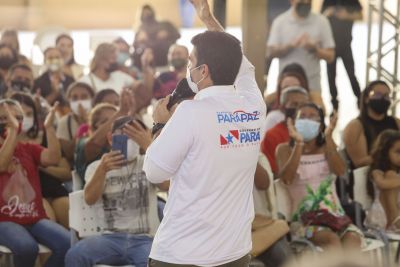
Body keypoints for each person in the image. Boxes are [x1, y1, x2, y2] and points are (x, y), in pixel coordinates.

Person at [143, 0, 266, 265]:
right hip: (234, 252)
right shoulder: (254, 105)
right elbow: (239, 62)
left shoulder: (190, 112)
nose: (189, 69)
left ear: (204, 71)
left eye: (191, 62)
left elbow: (154, 172)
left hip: (183, 254)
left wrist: (160, 124)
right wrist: (208, 20)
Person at [65, 116, 165, 267]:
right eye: (123, 135)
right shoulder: (97, 166)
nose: (129, 139)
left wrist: (150, 147)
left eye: (134, 135)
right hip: (110, 238)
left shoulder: (148, 162)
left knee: (155, 263)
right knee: (75, 256)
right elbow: (89, 199)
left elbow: (167, 186)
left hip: (145, 239)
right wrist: (102, 170)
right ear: (111, 138)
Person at [276, 103, 362, 249]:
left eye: (312, 116)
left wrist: (328, 137)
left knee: (353, 239)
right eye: (302, 116)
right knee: (330, 240)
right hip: (304, 221)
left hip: (336, 217)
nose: (307, 120)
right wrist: (299, 143)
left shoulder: (326, 147)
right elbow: (287, 179)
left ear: (321, 125)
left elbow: (341, 171)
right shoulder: (284, 149)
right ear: (294, 123)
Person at [0, 99, 70, 267]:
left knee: (68, 243)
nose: (14, 121)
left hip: (35, 218)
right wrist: (13, 132)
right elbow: (2, 164)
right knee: (27, 248)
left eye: (18, 117)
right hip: (3, 220)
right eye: (5, 117)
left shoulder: (28, 148)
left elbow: (53, 157)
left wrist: (49, 128)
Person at [10, 93, 71, 229]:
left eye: (29, 113)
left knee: (72, 219)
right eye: (19, 115)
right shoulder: (6, 145)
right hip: (30, 197)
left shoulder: (46, 138)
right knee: (49, 224)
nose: (24, 118)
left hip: (54, 191)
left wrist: (39, 164)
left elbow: (66, 172)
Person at [267, 0, 335, 109]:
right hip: (287, 86)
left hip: (312, 87)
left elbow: (330, 56)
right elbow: (270, 52)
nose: (305, 2)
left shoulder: (322, 22)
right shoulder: (280, 22)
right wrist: (290, 45)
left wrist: (314, 49)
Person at [343, 80, 400, 198]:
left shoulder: (396, 123)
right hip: (371, 182)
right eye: (378, 94)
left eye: (386, 96)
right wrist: (386, 155)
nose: (383, 99)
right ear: (366, 98)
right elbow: (359, 162)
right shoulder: (355, 126)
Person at [321, 0, 362, 111]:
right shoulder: (327, 2)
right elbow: (320, 19)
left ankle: (360, 100)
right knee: (331, 77)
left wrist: (346, 15)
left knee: (351, 74)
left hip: (345, 46)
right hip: (330, 47)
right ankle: (334, 105)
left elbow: (361, 15)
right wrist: (327, 13)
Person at [261, 86, 309, 175]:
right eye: (294, 104)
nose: (300, 108)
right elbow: (274, 173)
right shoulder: (272, 135)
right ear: (283, 107)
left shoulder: (313, 132)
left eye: (303, 104)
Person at [365, 130, 400, 231]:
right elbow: (382, 184)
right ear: (385, 152)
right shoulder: (377, 171)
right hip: (382, 216)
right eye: (398, 152)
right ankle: (395, 217)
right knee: (391, 175)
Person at [133, 4, 181, 69]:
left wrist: (167, 34)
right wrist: (140, 40)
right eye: (144, 13)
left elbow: (177, 35)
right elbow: (134, 47)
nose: (147, 14)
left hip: (165, 61)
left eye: (148, 12)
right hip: (146, 65)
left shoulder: (165, 24)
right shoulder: (140, 30)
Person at [56, 82, 95, 163]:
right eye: (74, 98)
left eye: (84, 97)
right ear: (69, 101)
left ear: (92, 99)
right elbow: (69, 154)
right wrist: (83, 126)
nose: (79, 101)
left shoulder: (99, 116)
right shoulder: (64, 122)